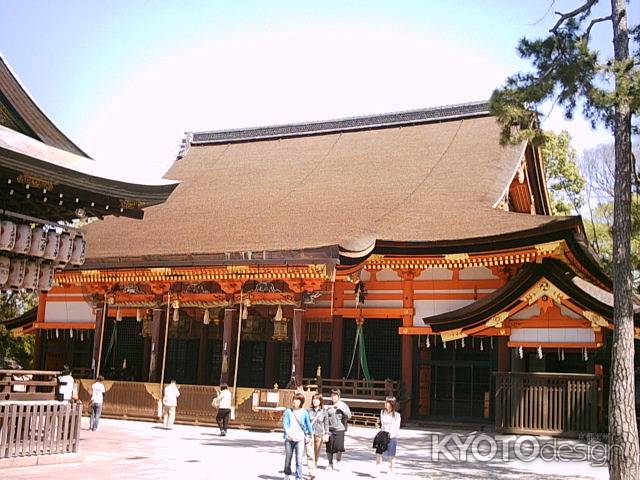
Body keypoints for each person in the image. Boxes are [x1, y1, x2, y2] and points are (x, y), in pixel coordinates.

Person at [282, 392, 313, 480]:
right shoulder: (288, 411)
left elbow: (308, 424)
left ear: (301, 402)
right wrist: (288, 433)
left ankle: (298, 477)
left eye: (298, 400)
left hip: (300, 438)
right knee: (288, 457)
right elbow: (285, 423)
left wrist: (311, 435)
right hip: (289, 438)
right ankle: (287, 474)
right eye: (294, 400)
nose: (295, 402)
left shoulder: (304, 412)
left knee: (299, 459)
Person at [326, 388, 352, 471]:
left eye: (335, 395)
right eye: (332, 395)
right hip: (330, 429)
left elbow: (349, 416)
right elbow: (325, 417)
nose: (333, 397)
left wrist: (342, 410)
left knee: (339, 447)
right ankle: (330, 463)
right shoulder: (328, 405)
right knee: (329, 447)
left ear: (339, 396)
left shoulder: (343, 405)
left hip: (340, 428)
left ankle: (338, 461)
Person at [306, 393, 329, 480]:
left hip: (319, 435)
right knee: (310, 454)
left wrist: (327, 434)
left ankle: (314, 467)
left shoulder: (323, 412)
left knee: (316, 454)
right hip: (310, 435)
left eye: (317, 399)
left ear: (320, 401)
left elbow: (326, 424)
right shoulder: (308, 411)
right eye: (314, 399)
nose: (315, 400)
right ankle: (311, 472)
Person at [377, 397, 401, 472]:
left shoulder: (397, 415)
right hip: (383, 434)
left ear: (391, 404)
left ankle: (391, 469)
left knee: (391, 454)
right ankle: (378, 468)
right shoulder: (382, 412)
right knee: (379, 452)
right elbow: (382, 424)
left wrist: (392, 434)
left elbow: (397, 427)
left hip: (392, 436)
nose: (385, 403)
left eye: (387, 402)